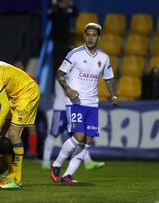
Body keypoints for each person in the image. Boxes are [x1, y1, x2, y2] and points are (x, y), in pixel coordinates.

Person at [50, 23, 119, 183]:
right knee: (79, 135)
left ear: (98, 37)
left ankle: (67, 175)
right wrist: (67, 89)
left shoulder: (104, 57)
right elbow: (60, 73)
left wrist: (114, 95)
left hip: (92, 103)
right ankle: (56, 164)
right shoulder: (75, 54)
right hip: (75, 102)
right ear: (84, 36)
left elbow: (109, 79)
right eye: (87, 34)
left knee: (88, 140)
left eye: (93, 35)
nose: (90, 38)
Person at [42, 80, 105, 170]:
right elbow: (68, 91)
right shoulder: (64, 72)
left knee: (80, 136)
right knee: (53, 134)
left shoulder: (74, 72)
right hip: (61, 108)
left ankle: (88, 162)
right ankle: (45, 162)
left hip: (73, 108)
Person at [48, 0, 78, 91]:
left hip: (66, 40)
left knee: (67, 63)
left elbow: (76, 14)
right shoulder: (54, 9)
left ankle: (68, 85)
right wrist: (55, 4)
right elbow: (50, 15)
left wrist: (71, 5)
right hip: (57, 40)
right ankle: (56, 88)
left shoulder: (68, 8)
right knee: (57, 64)